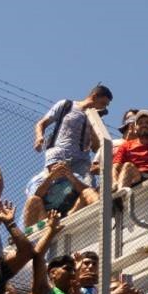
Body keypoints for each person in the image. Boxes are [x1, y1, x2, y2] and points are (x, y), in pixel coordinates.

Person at [32, 85, 112, 215]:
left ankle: (77, 213)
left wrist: (93, 129)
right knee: (53, 183)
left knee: (87, 184)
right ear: (94, 96)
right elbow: (41, 123)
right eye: (102, 103)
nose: (103, 107)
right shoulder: (67, 105)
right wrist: (39, 137)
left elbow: (96, 148)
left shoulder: (96, 119)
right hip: (59, 152)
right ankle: (44, 214)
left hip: (81, 158)